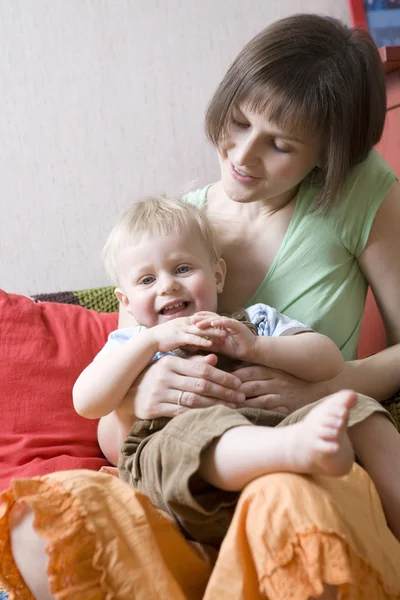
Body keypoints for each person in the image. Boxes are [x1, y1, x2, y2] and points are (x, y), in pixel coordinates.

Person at [2, 13, 400, 600]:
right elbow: (111, 427)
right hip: (184, 469)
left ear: (328, 154)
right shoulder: (171, 231)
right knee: (42, 523)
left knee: (284, 496)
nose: (242, 155)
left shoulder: (357, 190)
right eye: (237, 122)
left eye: (280, 144)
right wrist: (142, 396)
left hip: (299, 447)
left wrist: (328, 387)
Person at [72, 195, 399, 549]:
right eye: (147, 280)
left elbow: (328, 359)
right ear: (126, 302)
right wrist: (150, 344)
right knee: (202, 431)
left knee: (362, 412)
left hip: (273, 425)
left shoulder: (254, 320)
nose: (167, 285)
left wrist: (258, 347)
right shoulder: (131, 341)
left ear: (217, 276)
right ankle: (290, 450)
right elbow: (86, 401)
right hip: (176, 458)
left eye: (182, 269)